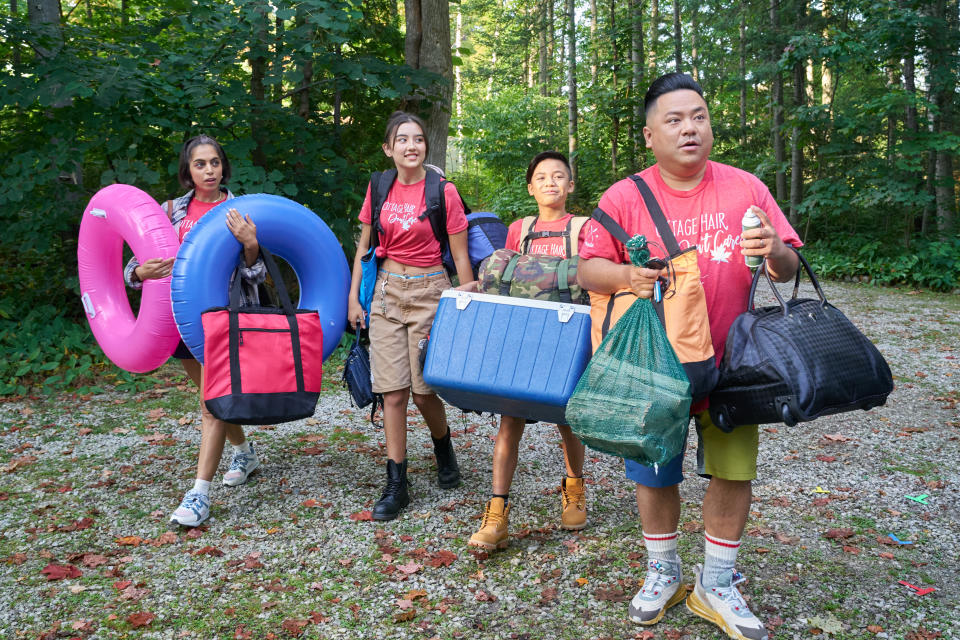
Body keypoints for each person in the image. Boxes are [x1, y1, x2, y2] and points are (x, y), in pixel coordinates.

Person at [578, 73, 801, 640]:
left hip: (736, 362)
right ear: (650, 135)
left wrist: (774, 249)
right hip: (656, 368)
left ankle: (718, 582)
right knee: (655, 470)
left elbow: (788, 268)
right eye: (674, 120)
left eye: (698, 116)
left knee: (732, 470)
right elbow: (586, 269)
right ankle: (663, 571)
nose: (689, 128)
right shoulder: (623, 197)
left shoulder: (746, 188)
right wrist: (628, 275)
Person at [124, 135, 266, 527]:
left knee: (210, 402)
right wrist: (137, 273)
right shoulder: (170, 210)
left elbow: (256, 276)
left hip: (226, 319)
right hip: (182, 321)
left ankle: (199, 495)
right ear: (187, 170)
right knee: (210, 396)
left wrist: (251, 245)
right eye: (200, 164)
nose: (209, 170)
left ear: (224, 167)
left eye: (215, 162)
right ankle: (245, 452)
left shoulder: (239, 211)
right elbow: (136, 266)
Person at [347, 111, 473, 521]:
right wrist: (355, 300)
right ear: (389, 148)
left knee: (422, 391)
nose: (411, 145)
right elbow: (364, 247)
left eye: (418, 139)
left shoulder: (443, 191)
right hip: (385, 292)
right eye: (402, 139)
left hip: (431, 292)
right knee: (392, 392)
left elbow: (459, 254)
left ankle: (442, 444)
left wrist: (467, 302)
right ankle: (396, 482)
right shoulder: (379, 186)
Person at [468, 151, 589, 551]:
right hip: (521, 338)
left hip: (568, 338)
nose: (550, 182)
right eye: (541, 177)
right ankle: (497, 513)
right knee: (510, 421)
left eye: (559, 176)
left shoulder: (583, 228)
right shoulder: (519, 229)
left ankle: (574, 487)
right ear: (530, 187)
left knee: (567, 419)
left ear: (571, 185)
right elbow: (503, 281)